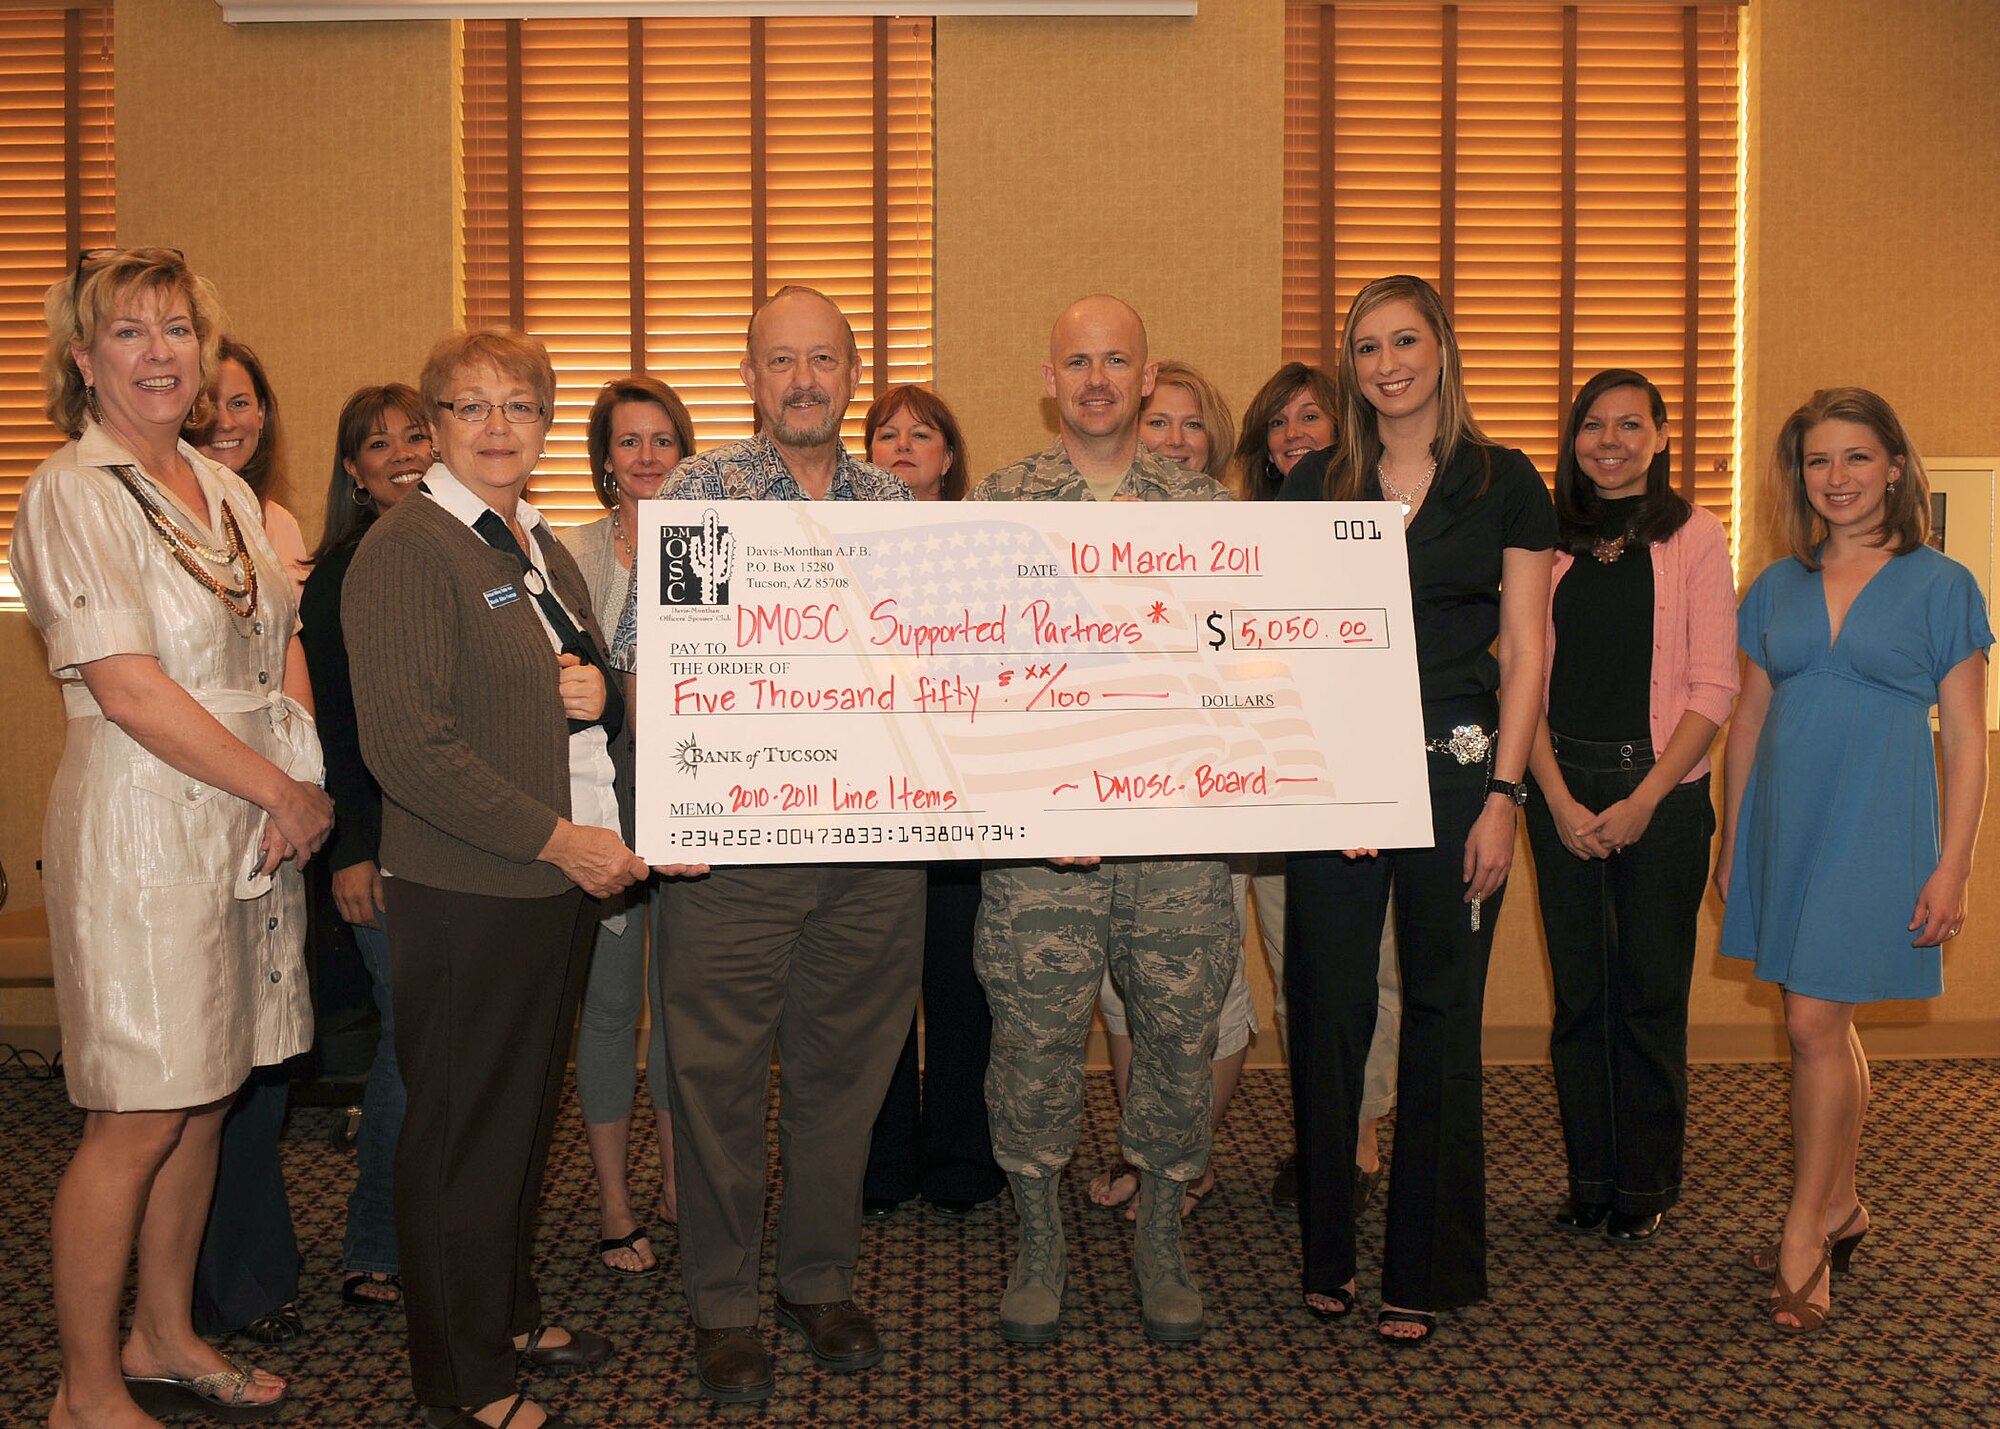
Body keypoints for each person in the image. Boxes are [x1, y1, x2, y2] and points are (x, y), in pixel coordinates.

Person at [17, 245, 331, 1427]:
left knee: (206, 1093)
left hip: (245, 818)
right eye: (131, 333)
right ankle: (85, 1386)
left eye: (178, 330)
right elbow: (132, 687)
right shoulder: (72, 490)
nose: (160, 353)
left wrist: (293, 787)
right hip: (145, 822)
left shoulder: (229, 487)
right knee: (137, 1109)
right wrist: (283, 791)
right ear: (85, 361)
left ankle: (163, 1333)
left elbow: (272, 647)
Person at [346, 327, 656, 1429]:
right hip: (472, 889)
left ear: (542, 422)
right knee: (460, 1137)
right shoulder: (407, 549)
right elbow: (408, 748)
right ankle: (460, 1379)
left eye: (518, 406)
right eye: (470, 408)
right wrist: (556, 839)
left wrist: (599, 692)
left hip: (549, 885)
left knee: (521, 1122)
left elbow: (580, 683)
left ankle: (507, 1307)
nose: (496, 428)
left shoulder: (531, 544)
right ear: (432, 426)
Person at [658, 285, 926, 1405]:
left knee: (843, 1080)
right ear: (750, 376)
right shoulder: (701, 496)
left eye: (824, 360)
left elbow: (941, 680)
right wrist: (670, 806)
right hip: (735, 854)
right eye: (782, 361)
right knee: (714, 1084)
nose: (804, 380)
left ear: (852, 374)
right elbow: (661, 665)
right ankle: (721, 1302)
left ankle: (817, 1280)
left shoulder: (897, 510)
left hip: (872, 852)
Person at [1279, 274, 1554, 1343]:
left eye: (1403, 340)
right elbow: (1286, 642)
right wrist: (1321, 770)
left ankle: (1423, 1267)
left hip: (1458, 772)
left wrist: (1504, 798)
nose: (1384, 362)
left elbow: (1529, 651)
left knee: (1440, 1014)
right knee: (1326, 1005)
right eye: (1363, 347)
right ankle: (1327, 1252)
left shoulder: (1503, 481)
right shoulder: (1312, 483)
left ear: (1440, 346)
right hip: (1334, 777)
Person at [969, 296, 1238, 1347]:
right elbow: (961, 684)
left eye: (1113, 360)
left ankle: (1159, 1236)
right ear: (1050, 376)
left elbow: (1248, 677)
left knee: (1176, 1035)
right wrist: (1029, 799)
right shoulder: (995, 505)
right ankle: (1039, 1241)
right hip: (1042, 849)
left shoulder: (1207, 508)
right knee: (1030, 1041)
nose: (1093, 378)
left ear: (1144, 374)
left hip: (1175, 838)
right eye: (1075, 360)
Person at [1717, 387, 1989, 1334]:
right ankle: (1841, 1202)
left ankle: (1806, 1226)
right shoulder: (1774, 586)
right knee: (1823, 1025)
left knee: (1808, 1023)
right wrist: (1733, 837)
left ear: (1897, 467)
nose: (1836, 478)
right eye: (1818, 461)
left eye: (1857, 457)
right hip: (1787, 825)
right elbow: (1747, 720)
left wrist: (1954, 863)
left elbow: (1964, 737)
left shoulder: (1944, 584)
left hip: (1880, 823)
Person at [1524, 369, 1738, 1245]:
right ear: (1573, 440)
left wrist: (1648, 797)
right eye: (1591, 427)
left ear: (1659, 435)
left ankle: (1644, 1182)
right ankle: (1590, 1177)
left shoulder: (1693, 536)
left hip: (1665, 794)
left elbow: (1714, 685)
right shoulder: (1546, 538)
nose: (1608, 442)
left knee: (1650, 993)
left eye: (1628, 425)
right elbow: (1521, 681)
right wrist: (1560, 798)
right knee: (1580, 996)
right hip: (1561, 790)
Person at [1084, 359, 1254, 1222]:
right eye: (1160, 424)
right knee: (1122, 992)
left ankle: (1185, 1163)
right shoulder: (1081, 525)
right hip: (1106, 798)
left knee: (1207, 993)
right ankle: (1141, 1154)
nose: (1176, 440)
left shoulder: (1239, 537)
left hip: (1203, 801)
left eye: (1193, 426)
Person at [299, 382, 436, 1314]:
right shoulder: (339, 574)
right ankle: (376, 1240)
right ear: (353, 470)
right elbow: (335, 731)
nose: (402, 454)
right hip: (380, 850)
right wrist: (350, 846)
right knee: (412, 1041)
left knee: (456, 1046)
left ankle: (448, 1234)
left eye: (417, 434)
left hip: (467, 846)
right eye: (376, 444)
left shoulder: (471, 554)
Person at [560, 376, 697, 1277]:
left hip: (691, 808)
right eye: (629, 441)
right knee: (609, 1010)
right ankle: (614, 1204)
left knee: (689, 1013)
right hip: (600, 809)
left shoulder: (709, 545)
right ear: (605, 458)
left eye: (663, 440)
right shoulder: (565, 553)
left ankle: (691, 1192)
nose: (646, 456)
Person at [858, 383, 1005, 1221]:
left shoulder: (982, 550)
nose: (904, 446)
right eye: (886, 434)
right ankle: (879, 1165)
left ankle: (960, 1156)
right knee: (876, 998)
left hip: (962, 802)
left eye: (923, 435)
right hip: (862, 806)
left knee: (960, 989)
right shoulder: (824, 549)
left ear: (949, 458)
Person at [196, 336, 310, 595]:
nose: (224, 422)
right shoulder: (169, 520)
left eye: (239, 404)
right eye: (208, 405)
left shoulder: (283, 524)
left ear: (261, 415)